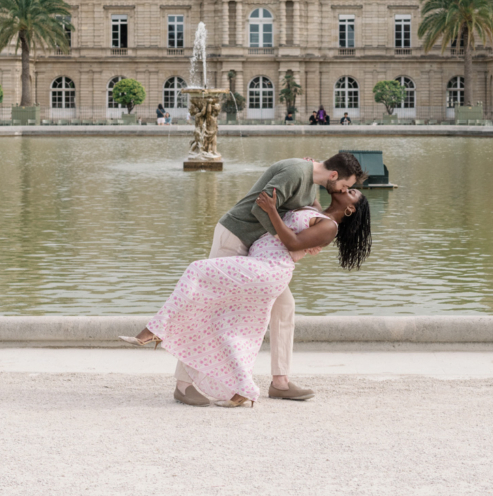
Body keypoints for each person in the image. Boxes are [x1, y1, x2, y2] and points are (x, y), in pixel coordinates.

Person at [135, 153, 366, 405]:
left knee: (285, 306)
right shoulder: (296, 173)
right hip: (238, 236)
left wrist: (311, 240)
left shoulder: (313, 183)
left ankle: (280, 382)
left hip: (262, 255)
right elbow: (262, 207)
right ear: (334, 175)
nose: (347, 189)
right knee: (209, 306)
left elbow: (313, 215)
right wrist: (290, 241)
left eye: (349, 190)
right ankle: (183, 384)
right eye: (347, 185)